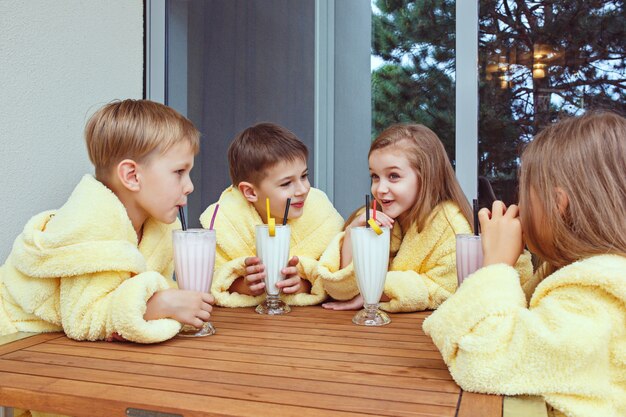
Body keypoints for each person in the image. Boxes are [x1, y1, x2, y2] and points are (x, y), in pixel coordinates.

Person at [423, 112, 626, 417]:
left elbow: (483, 361)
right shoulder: (577, 275)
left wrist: (496, 266)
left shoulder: (596, 296)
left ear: (559, 204)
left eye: (525, 193)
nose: (519, 205)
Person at [0, 99, 214, 345]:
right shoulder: (92, 223)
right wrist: (159, 304)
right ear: (132, 176)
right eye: (179, 172)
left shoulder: (160, 227)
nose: (190, 186)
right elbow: (83, 318)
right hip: (12, 336)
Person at [319, 124, 532, 312]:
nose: (379, 188)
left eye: (393, 176)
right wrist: (352, 234)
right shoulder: (372, 219)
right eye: (375, 176)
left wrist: (379, 291)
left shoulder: (450, 223)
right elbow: (343, 289)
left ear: (426, 176)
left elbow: (447, 288)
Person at [199, 122, 343, 307]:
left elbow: (337, 275)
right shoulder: (225, 223)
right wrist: (244, 286)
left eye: (304, 176)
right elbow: (212, 281)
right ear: (250, 192)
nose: (302, 189)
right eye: (286, 184)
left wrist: (304, 284)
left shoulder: (321, 214)